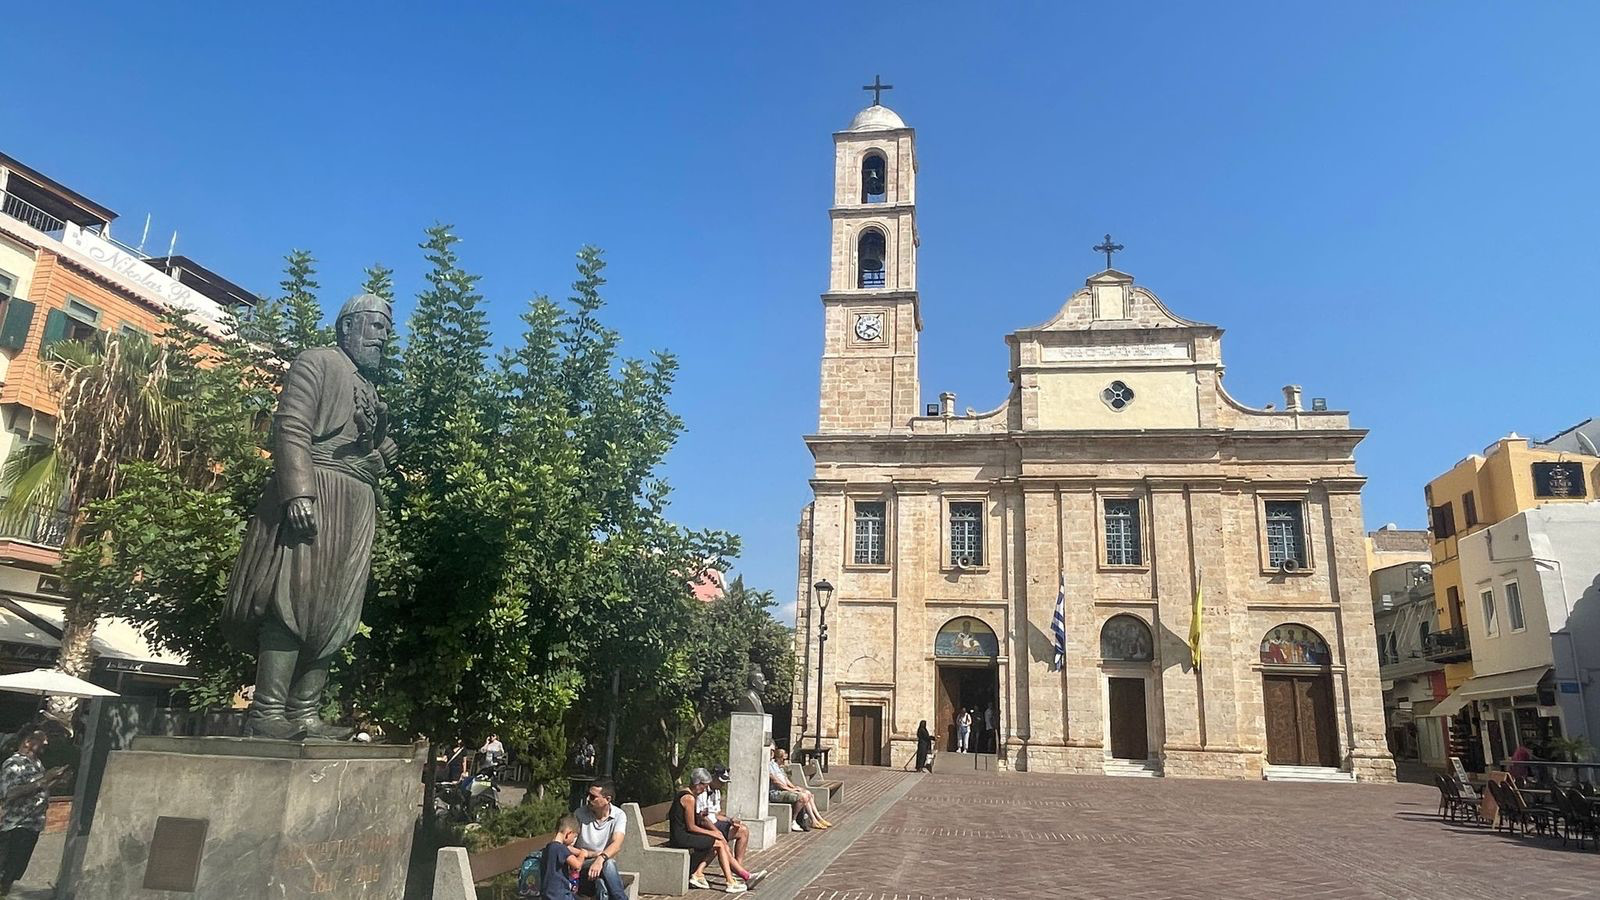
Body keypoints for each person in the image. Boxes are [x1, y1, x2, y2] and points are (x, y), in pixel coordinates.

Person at [223, 293, 398, 740]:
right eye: (377, 326)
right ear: (348, 327)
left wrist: (378, 455)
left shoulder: (370, 388)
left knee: (337, 607)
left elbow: (359, 453)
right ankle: (266, 712)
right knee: (293, 598)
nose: (384, 336)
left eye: (387, 328)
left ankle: (304, 713)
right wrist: (297, 493)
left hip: (356, 503)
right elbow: (292, 428)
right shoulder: (316, 362)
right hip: (317, 491)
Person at [0, 731, 65, 895]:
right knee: (4, 871)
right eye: (41, 741)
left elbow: (36, 790)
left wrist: (54, 782)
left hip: (33, 825)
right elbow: (11, 793)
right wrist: (44, 779)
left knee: (14, 872)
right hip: (17, 826)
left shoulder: (36, 764)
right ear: (28, 742)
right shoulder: (14, 764)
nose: (46, 743)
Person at [669, 771, 747, 893]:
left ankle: (700, 874)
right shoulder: (689, 798)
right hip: (681, 837)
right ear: (698, 784)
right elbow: (691, 827)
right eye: (704, 786)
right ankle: (730, 882)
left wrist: (700, 816)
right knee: (719, 843)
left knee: (718, 843)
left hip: (683, 834)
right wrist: (712, 833)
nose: (704, 790)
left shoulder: (687, 794)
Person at [697, 767, 763, 885]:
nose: (723, 785)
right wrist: (716, 832)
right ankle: (743, 874)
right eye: (721, 781)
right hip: (705, 826)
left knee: (743, 830)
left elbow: (717, 814)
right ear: (713, 777)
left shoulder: (717, 791)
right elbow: (702, 818)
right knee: (722, 844)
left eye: (725, 782)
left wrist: (730, 820)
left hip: (714, 822)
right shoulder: (702, 791)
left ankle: (738, 867)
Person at [572, 779, 629, 900]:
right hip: (582, 865)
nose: (588, 799)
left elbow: (616, 843)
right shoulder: (579, 814)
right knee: (609, 865)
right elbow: (568, 846)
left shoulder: (619, 815)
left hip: (603, 865)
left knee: (602, 884)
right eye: (587, 794)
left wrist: (600, 859)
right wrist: (589, 854)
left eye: (593, 797)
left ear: (607, 799)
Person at [768, 748, 830, 830]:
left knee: (807, 793)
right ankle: (793, 821)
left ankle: (817, 819)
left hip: (784, 789)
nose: (785, 761)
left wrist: (795, 787)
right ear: (778, 758)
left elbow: (785, 779)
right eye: (783, 759)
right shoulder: (769, 766)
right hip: (776, 793)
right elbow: (776, 782)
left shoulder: (777, 766)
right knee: (803, 797)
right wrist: (790, 790)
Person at [540, 814, 587, 900]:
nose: (573, 841)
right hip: (560, 894)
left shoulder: (548, 848)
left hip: (547, 893)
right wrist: (583, 854)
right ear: (568, 833)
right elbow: (577, 865)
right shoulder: (561, 848)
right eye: (575, 837)